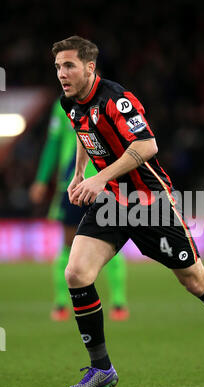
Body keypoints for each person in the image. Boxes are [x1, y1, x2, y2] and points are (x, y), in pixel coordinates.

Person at [52, 35, 204, 387]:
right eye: (59, 66)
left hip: (149, 204)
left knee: (196, 281)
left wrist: (100, 176)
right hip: (111, 203)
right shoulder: (70, 101)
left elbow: (147, 145)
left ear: (90, 67)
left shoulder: (115, 100)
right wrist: (80, 173)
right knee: (76, 273)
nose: (62, 73)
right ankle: (102, 368)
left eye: (69, 65)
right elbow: (82, 129)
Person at [29, 98, 129, 322]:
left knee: (110, 240)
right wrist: (42, 179)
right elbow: (53, 143)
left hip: (106, 180)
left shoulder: (110, 102)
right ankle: (61, 303)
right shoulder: (61, 107)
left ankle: (119, 302)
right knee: (67, 242)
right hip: (72, 182)